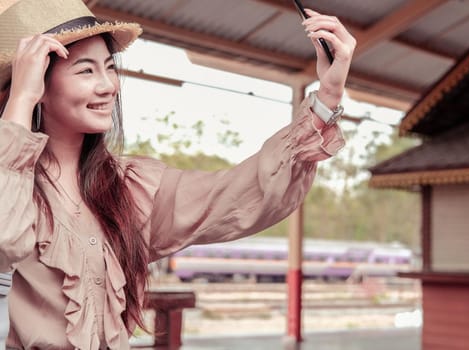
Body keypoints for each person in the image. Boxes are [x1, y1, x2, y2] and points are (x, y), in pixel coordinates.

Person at [0, 0, 355, 349]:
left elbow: (239, 193)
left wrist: (327, 95)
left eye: (110, 67)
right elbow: (5, 240)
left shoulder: (131, 187)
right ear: (37, 86)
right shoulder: (11, 180)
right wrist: (19, 103)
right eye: (86, 71)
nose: (109, 86)